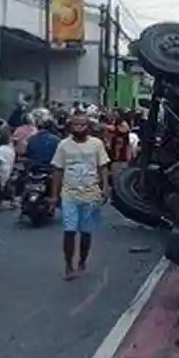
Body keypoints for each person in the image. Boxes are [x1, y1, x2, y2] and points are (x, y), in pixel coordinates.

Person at [51, 113, 110, 279]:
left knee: (86, 232)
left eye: (82, 125)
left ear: (88, 127)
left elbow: (103, 167)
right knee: (69, 231)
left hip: (91, 195)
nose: (78, 128)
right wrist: (54, 195)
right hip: (69, 194)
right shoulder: (63, 145)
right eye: (75, 125)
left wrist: (105, 187)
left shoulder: (96, 144)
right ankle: (68, 265)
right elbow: (57, 170)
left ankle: (82, 262)